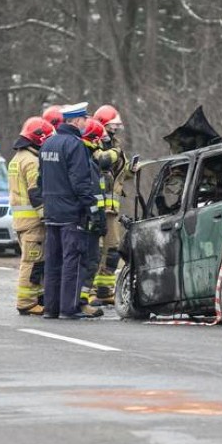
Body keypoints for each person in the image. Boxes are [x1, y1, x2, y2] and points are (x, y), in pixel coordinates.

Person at [39, 102, 106, 319]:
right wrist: (93, 210)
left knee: (53, 261)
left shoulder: (48, 144)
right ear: (76, 121)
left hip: (51, 213)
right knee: (72, 261)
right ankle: (68, 308)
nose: (86, 123)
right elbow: (81, 183)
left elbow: (41, 181)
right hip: (71, 214)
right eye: (84, 119)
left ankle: (51, 308)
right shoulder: (75, 145)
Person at [8, 116, 55, 316]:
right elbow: (36, 193)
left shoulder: (17, 159)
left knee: (37, 261)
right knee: (32, 262)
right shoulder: (32, 162)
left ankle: (37, 297)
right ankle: (26, 302)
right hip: (33, 222)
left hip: (22, 221)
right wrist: (46, 216)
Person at [90, 105, 132, 306]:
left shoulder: (114, 143)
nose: (115, 129)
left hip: (111, 209)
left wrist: (131, 169)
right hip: (97, 207)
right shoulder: (93, 140)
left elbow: (118, 172)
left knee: (112, 250)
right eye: (112, 125)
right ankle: (88, 292)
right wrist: (114, 152)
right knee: (95, 252)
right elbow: (102, 161)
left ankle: (104, 290)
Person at [78, 119, 107, 316]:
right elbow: (92, 193)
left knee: (89, 260)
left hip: (87, 218)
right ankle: (81, 302)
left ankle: (81, 300)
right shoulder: (87, 161)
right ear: (95, 140)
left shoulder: (86, 159)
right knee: (89, 260)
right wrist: (97, 219)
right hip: (89, 220)